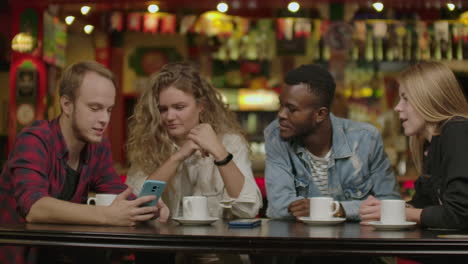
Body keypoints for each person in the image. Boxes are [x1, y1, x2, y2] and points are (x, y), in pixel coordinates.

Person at [0, 61, 169, 264]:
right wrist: (107, 216)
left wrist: (145, 206)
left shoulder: (97, 146)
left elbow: (115, 188)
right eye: (95, 108)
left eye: (109, 110)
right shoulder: (34, 139)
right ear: (67, 105)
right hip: (17, 256)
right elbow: (35, 208)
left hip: (59, 253)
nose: (104, 119)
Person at [126, 62, 262, 263]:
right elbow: (136, 202)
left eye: (179, 107)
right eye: (163, 109)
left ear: (201, 106)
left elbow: (248, 209)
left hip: (224, 257)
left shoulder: (229, 142)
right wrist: (178, 156)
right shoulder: (150, 145)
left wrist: (219, 151)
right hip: (175, 256)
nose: (169, 116)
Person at [264, 64, 400, 221]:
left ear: (320, 114)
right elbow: (279, 207)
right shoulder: (276, 135)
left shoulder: (366, 139)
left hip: (357, 241)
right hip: (303, 240)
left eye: (292, 109)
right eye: (280, 105)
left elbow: (391, 204)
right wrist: (355, 208)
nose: (281, 114)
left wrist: (334, 209)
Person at [360, 61, 468, 230]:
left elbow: (459, 214)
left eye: (406, 99)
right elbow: (423, 203)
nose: (397, 108)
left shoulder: (457, 130)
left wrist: (400, 213)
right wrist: (385, 208)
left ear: (430, 99)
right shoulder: (431, 144)